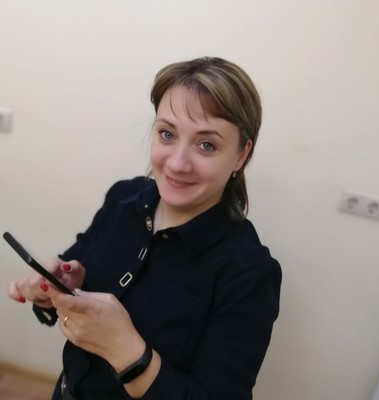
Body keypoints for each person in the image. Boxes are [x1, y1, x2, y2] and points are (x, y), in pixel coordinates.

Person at [7, 56, 282, 400]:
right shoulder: (123, 198)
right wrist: (54, 287)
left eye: (207, 145)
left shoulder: (249, 272)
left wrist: (126, 350)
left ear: (241, 155)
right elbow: (73, 273)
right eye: (167, 134)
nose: (177, 163)